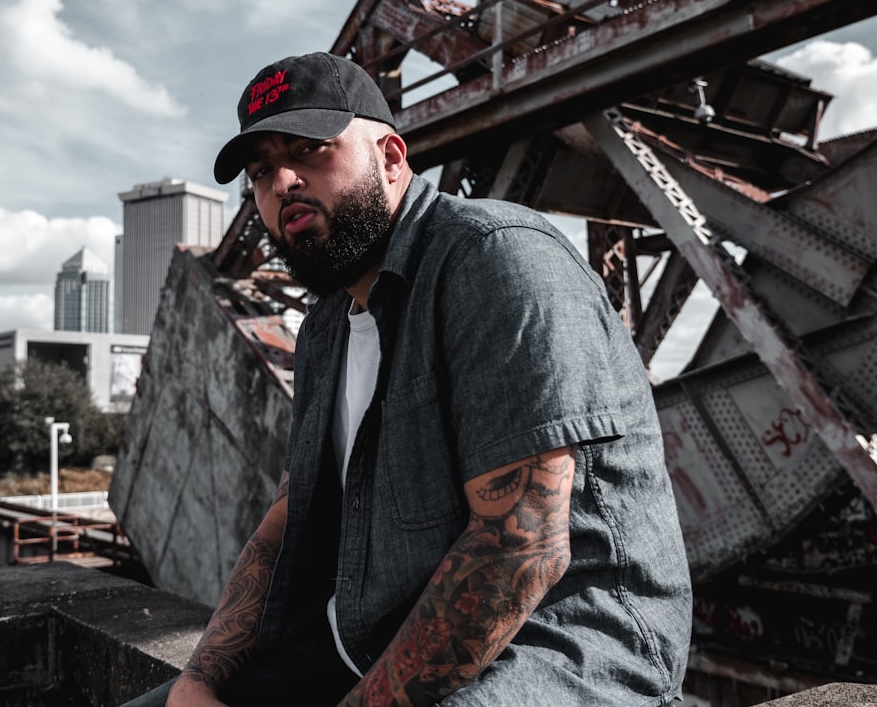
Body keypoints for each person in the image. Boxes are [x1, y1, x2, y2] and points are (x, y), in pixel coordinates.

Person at [123, 51, 692, 707]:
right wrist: (200, 680)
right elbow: (289, 516)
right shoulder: (324, 331)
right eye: (260, 171)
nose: (281, 180)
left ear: (391, 157)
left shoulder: (495, 260)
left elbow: (519, 548)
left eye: (310, 150)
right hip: (365, 642)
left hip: (563, 647)